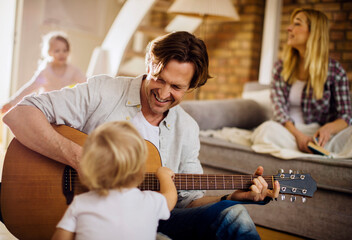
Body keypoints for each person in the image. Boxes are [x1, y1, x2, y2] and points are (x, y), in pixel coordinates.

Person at [4, 31, 280, 239]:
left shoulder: (187, 128)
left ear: (193, 86)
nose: (162, 93)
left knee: (235, 216)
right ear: (150, 62)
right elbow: (17, 114)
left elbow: (188, 200)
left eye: (176, 87)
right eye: (159, 78)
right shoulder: (102, 91)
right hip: (91, 216)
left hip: (154, 216)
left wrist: (231, 196)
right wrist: (81, 158)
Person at [251, 8, 352, 159]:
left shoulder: (335, 71)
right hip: (289, 132)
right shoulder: (280, 68)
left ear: (313, 32)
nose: (289, 28)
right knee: (265, 130)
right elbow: (279, 111)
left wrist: (327, 129)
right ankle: (314, 151)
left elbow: (345, 116)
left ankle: (315, 149)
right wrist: (298, 136)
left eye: (297, 24)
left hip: (319, 135)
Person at [51, 121, 177, 240]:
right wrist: (164, 175)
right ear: (139, 171)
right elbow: (171, 198)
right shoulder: (150, 202)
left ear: (88, 169)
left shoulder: (80, 204)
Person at [1, 31, 86, 114]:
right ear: (49, 52)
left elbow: (87, 82)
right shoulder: (46, 72)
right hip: (46, 107)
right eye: (57, 51)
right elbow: (30, 88)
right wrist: (11, 102)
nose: (62, 54)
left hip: (63, 107)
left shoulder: (72, 70)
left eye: (65, 50)